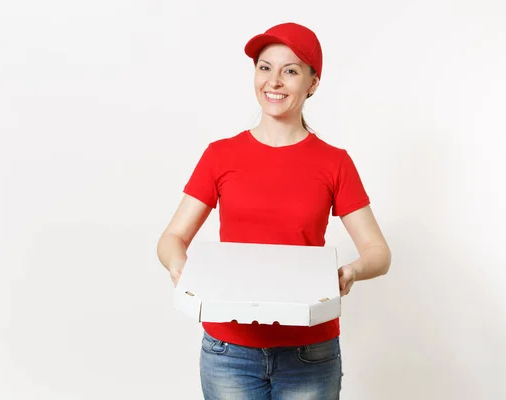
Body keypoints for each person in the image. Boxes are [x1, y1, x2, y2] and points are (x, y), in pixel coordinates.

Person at [157, 22, 392, 400]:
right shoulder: (220, 155)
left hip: (310, 352)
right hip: (228, 351)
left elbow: (379, 253)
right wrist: (179, 268)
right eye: (265, 67)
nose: (274, 81)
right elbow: (172, 238)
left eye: (291, 70)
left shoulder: (335, 163)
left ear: (312, 84)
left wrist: (351, 272)